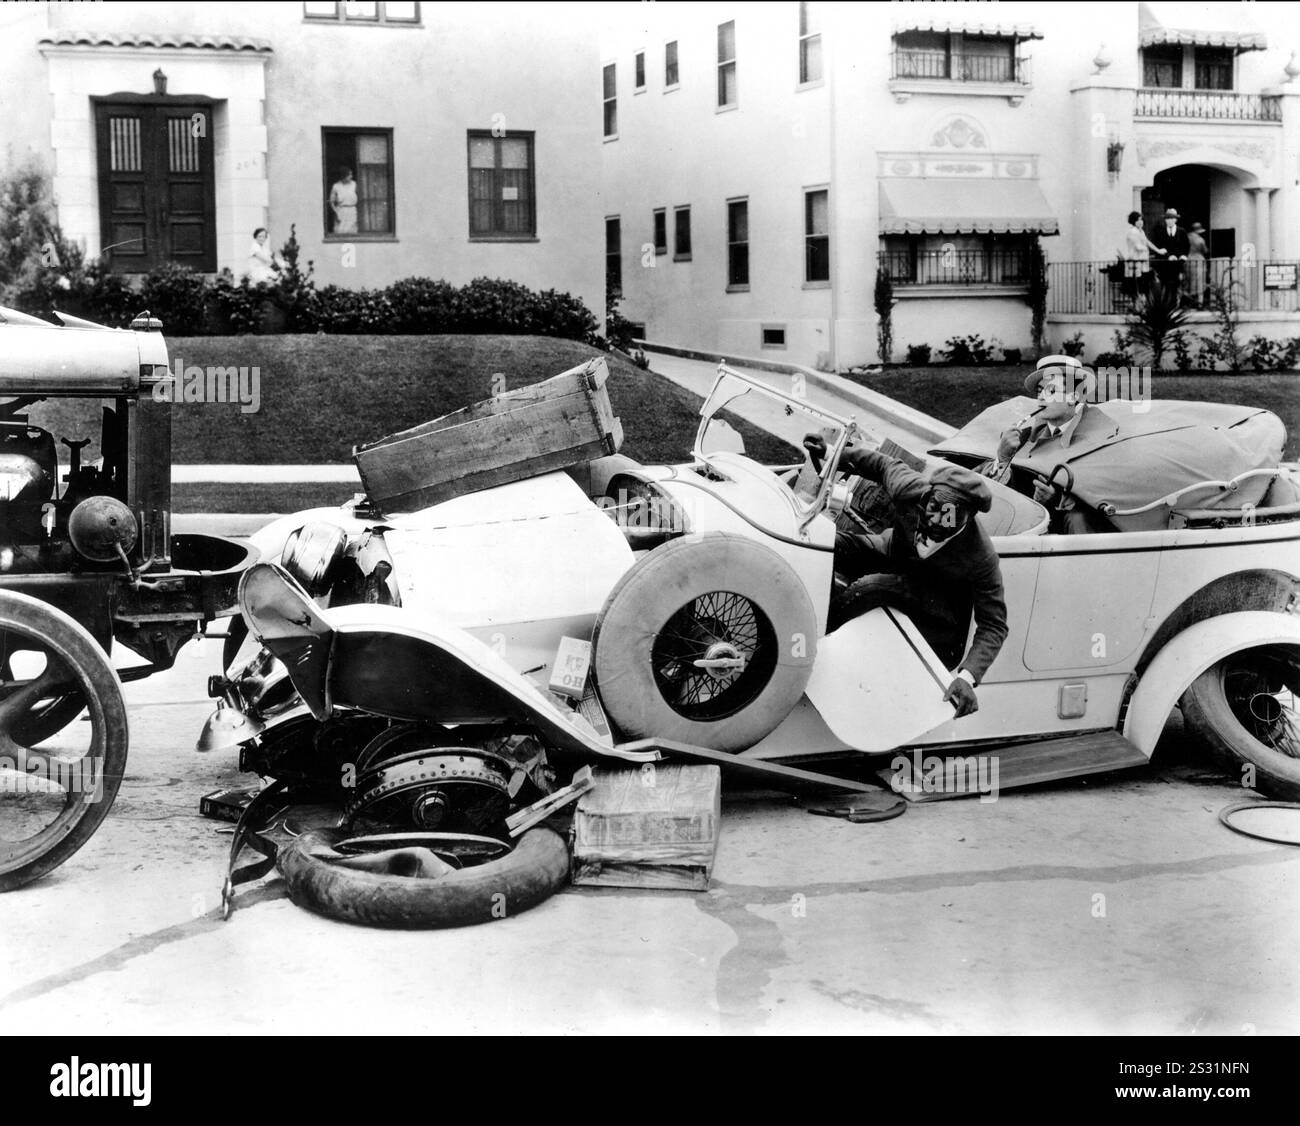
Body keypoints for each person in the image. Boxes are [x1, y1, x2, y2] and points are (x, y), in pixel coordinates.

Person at [804, 434, 1008, 718]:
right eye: (933, 508)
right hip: (895, 556)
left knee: (871, 587)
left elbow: (994, 625)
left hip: (937, 608)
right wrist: (831, 452)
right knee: (826, 541)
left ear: (969, 516)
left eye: (948, 516)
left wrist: (967, 677)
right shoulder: (913, 490)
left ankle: (816, 650)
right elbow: (882, 463)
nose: (935, 520)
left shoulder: (981, 557)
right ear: (928, 495)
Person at [980, 355, 1116, 534]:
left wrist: (1055, 498)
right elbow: (997, 497)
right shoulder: (1026, 437)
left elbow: (1100, 488)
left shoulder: (1097, 432)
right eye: (1039, 391)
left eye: (1051, 391)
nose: (1041, 398)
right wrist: (1002, 458)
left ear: (1073, 397)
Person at [1149, 207, 1189, 295]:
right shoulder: (1161, 232)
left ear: (1176, 220)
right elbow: (1158, 247)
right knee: (1165, 285)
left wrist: (1183, 255)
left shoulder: (1181, 231)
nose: (1169, 221)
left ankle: (1176, 305)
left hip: (1178, 264)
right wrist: (1168, 256)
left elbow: (1186, 246)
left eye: (1172, 218)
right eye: (1167, 218)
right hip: (1165, 264)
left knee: (1177, 286)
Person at [1120, 210, 1159, 302]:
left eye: (1141, 220)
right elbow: (1138, 246)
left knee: (1142, 283)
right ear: (1133, 221)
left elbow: (1146, 242)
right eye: (1138, 220)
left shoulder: (1141, 231)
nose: (1140, 222)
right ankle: (1137, 304)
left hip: (1142, 262)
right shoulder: (1133, 232)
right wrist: (1147, 250)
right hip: (1135, 261)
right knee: (1136, 283)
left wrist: (1157, 250)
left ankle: (1141, 303)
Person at [1185, 221, 1209, 308]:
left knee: (1189, 282)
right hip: (1199, 261)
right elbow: (1205, 250)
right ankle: (1200, 302)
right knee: (1200, 282)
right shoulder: (1200, 240)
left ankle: (1189, 301)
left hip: (1188, 260)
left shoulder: (1187, 237)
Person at [330, 167, 358, 234]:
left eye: (351, 175)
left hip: (352, 211)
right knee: (340, 231)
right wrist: (336, 212)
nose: (351, 177)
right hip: (341, 212)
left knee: (352, 232)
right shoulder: (336, 186)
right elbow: (332, 202)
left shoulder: (354, 184)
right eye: (349, 175)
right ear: (344, 176)